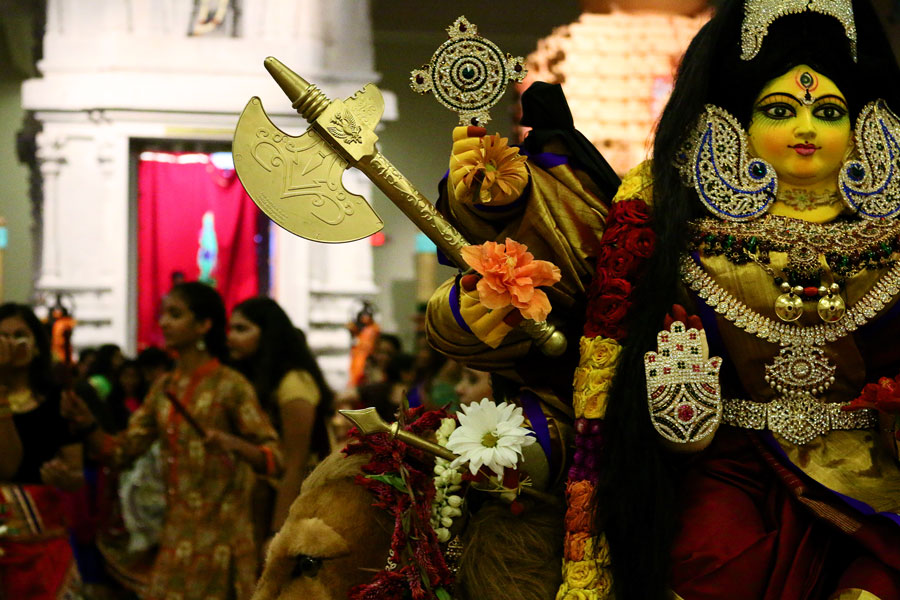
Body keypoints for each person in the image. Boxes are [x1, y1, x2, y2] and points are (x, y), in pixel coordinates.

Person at [63, 282, 283, 600]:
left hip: (223, 541)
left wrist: (233, 444)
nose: (164, 323)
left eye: (176, 315)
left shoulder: (230, 386)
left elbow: (275, 458)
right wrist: (86, 426)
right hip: (173, 537)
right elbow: (122, 451)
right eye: (164, 314)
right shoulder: (165, 388)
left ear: (204, 325)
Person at [227, 296, 334, 542]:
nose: (231, 337)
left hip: (297, 501)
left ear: (268, 335)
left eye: (242, 329)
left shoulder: (294, 382)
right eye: (231, 329)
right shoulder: (252, 378)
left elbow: (295, 464)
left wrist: (277, 532)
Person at [0, 302, 83, 599]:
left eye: (20, 335)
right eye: (2, 336)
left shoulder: (58, 400)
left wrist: (64, 476)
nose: (11, 344)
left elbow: (75, 474)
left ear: (37, 346)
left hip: (42, 539)